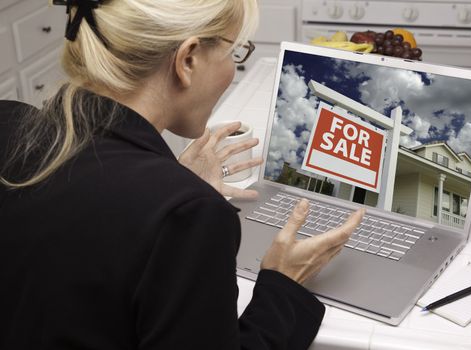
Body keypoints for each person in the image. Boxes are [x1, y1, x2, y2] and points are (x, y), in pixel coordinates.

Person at [0, 0, 364, 349]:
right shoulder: (188, 216)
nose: (232, 69)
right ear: (187, 59)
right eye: (234, 53)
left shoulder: (8, 122)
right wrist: (284, 285)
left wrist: (171, 180)